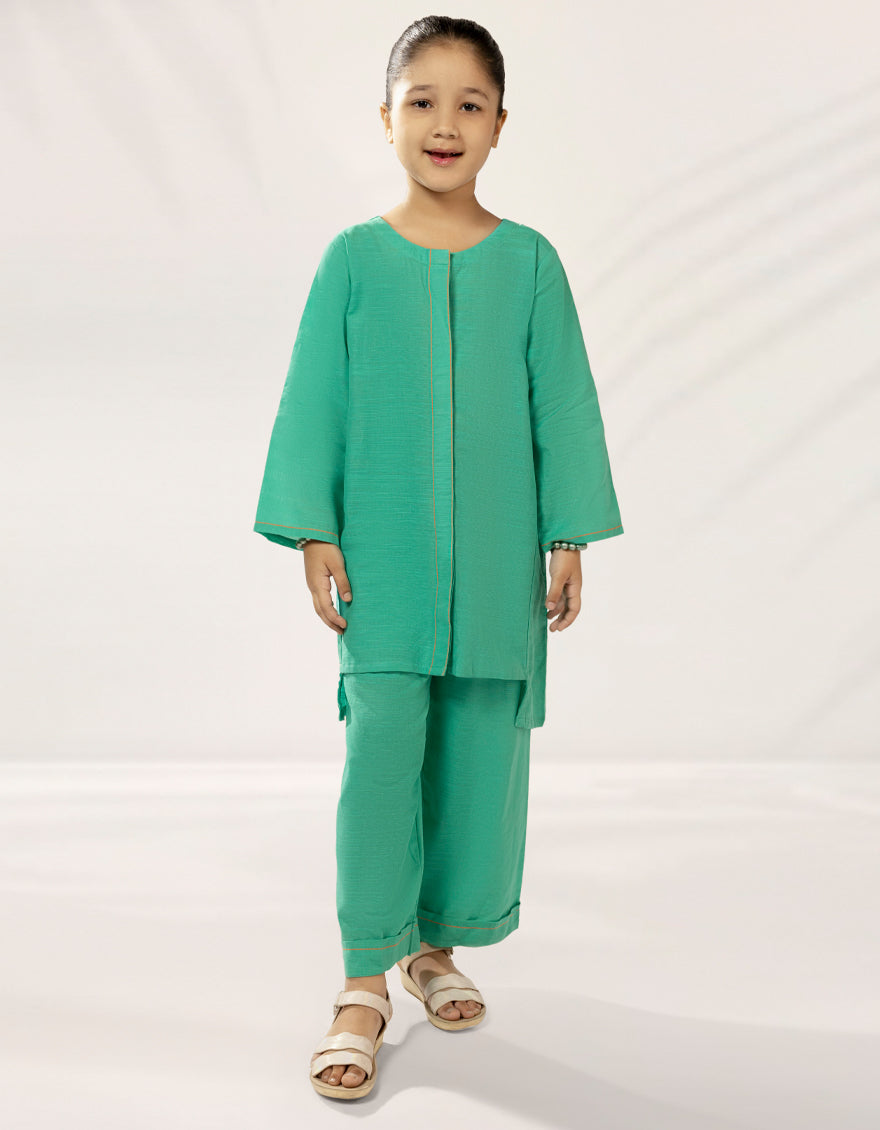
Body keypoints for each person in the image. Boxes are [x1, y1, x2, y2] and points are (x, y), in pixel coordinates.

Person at [253, 15, 624, 1100]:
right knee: (381, 760)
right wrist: (314, 528)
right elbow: (314, 397)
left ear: (501, 125)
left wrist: (567, 535)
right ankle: (363, 982)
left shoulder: (530, 262)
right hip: (383, 568)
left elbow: (563, 404)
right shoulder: (353, 261)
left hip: (500, 567)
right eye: (422, 101)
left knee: (473, 762)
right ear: (387, 119)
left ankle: (434, 944)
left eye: (470, 104)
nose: (445, 123)